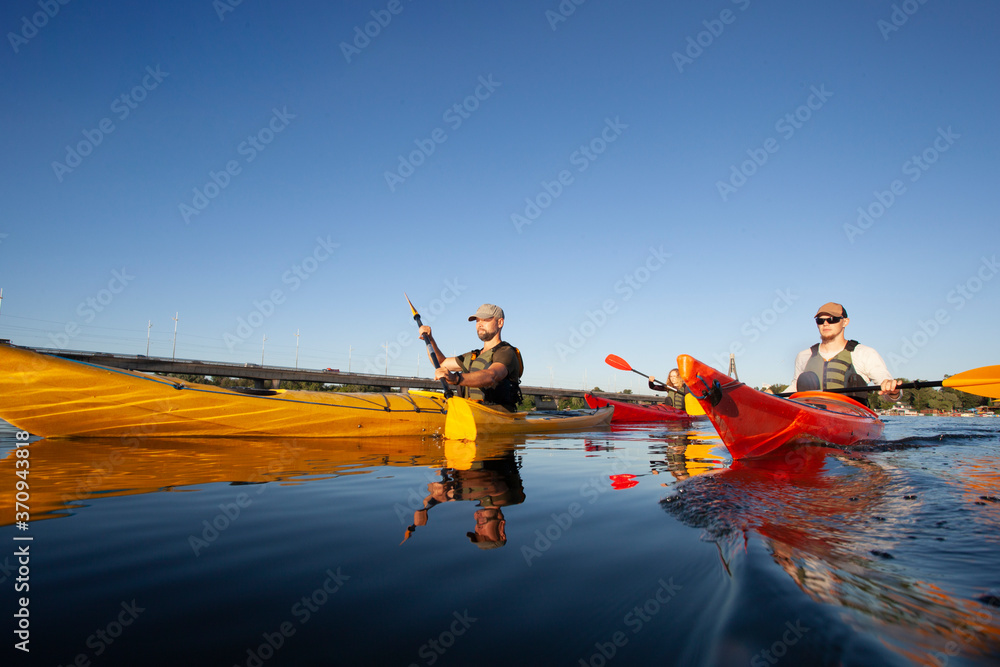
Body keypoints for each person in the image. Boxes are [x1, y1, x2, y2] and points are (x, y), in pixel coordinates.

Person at [788, 302, 900, 404]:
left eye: (832, 319)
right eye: (820, 320)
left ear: (845, 322)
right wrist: (771, 396)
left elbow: (887, 389)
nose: (825, 324)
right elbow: (795, 388)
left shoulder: (864, 353)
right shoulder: (804, 356)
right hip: (811, 416)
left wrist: (893, 391)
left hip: (851, 417)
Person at [418, 303, 523, 412]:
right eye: (477, 321)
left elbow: (491, 375)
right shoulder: (473, 356)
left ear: (500, 322)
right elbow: (441, 363)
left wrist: (455, 378)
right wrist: (430, 339)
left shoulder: (506, 352)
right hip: (471, 414)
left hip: (499, 417)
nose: (480, 324)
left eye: (485, 320)